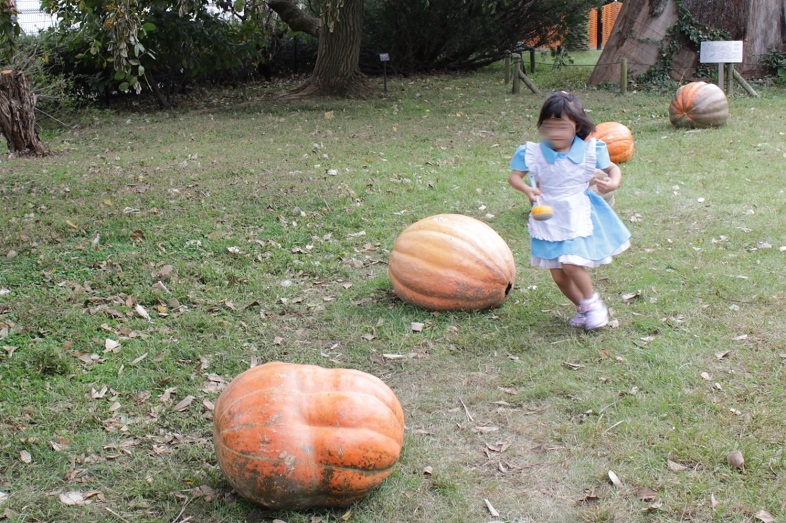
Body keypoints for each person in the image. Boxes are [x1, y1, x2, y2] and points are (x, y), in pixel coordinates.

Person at [508, 91, 631, 330]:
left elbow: (612, 169)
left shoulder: (591, 149)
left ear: (576, 125)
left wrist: (613, 182)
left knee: (571, 262)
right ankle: (584, 308)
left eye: (562, 126)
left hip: (577, 213)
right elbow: (514, 177)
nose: (555, 133)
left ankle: (594, 304)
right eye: (549, 126)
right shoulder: (532, 152)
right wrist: (526, 189)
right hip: (548, 217)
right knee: (559, 275)